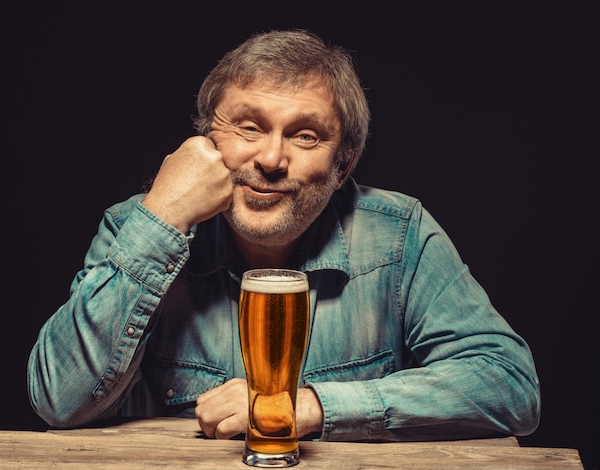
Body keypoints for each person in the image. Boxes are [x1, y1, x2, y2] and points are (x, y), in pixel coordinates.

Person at [27, 29, 540, 442]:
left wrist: (312, 406)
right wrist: (163, 217)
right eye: (248, 128)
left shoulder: (400, 236)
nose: (270, 160)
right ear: (206, 143)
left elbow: (509, 384)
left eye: (305, 135)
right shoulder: (137, 226)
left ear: (343, 167)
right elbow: (60, 401)